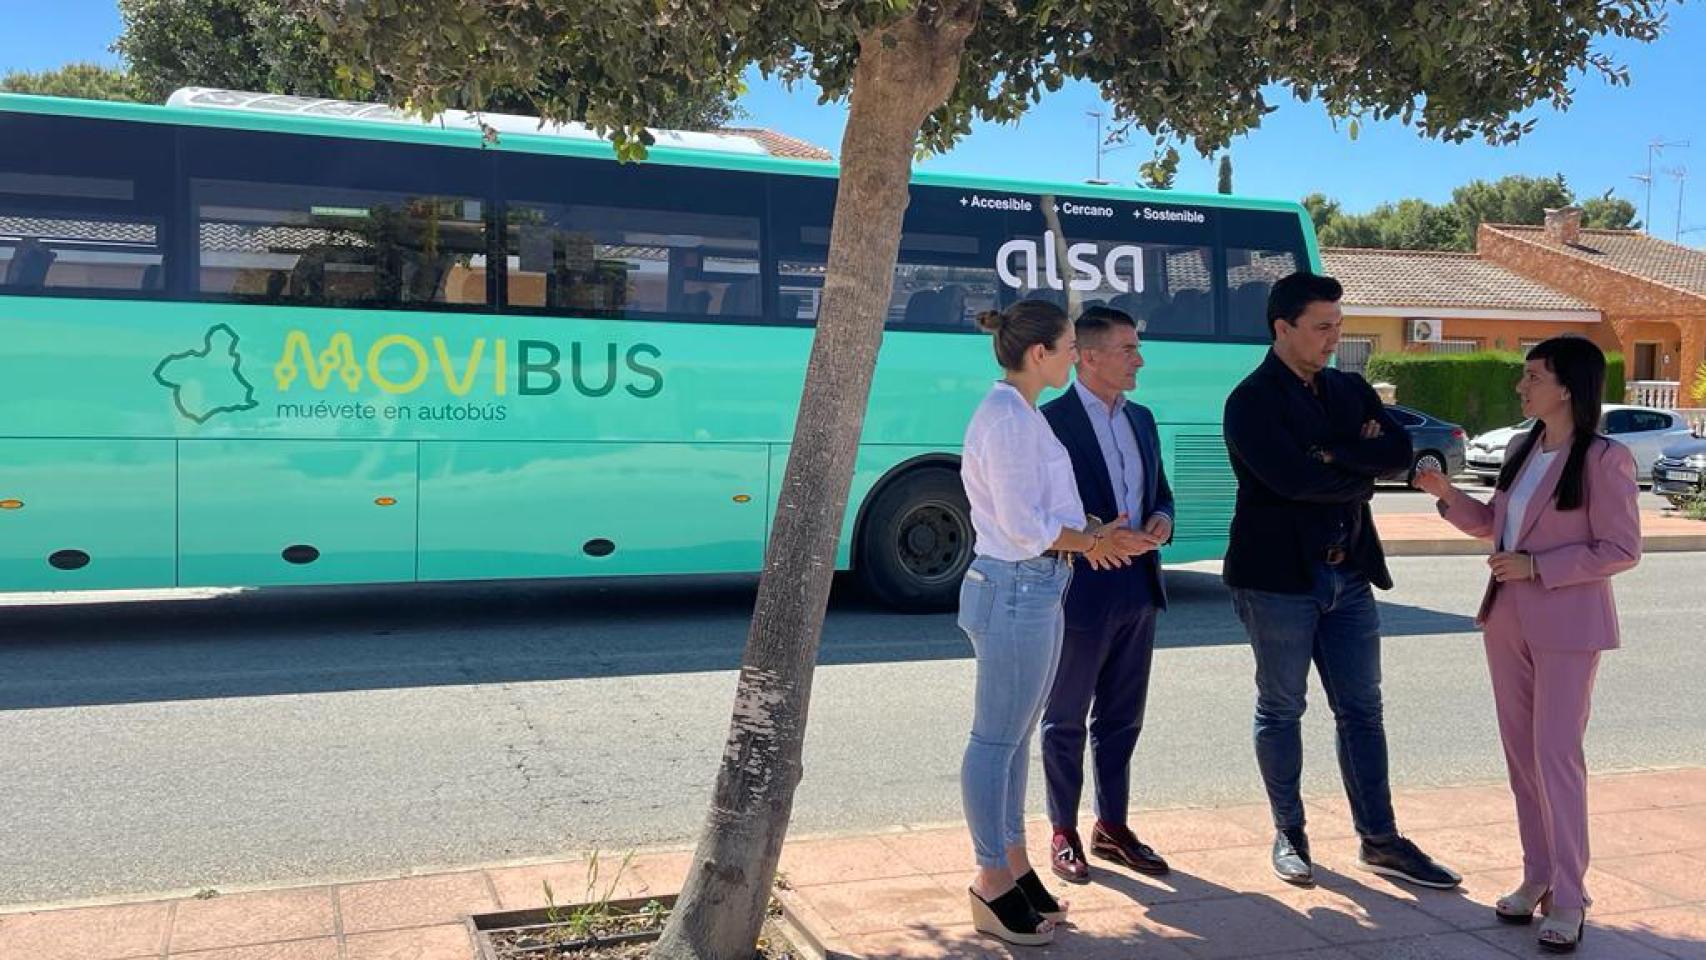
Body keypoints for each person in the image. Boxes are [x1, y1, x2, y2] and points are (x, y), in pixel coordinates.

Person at [1222, 271, 1460, 890]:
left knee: (1363, 710)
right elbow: (1290, 481)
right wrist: (1354, 464)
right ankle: (1290, 834)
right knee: (1281, 708)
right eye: (1322, 326)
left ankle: (1380, 840)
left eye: (1339, 324)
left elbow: (1400, 452)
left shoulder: (1351, 389)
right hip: (1277, 580)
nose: (1335, 337)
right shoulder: (1250, 401)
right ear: (1283, 328)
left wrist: (1330, 453)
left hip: (1349, 575)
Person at [1414, 337, 1639, 953]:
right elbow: (1494, 524)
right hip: (1506, 617)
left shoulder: (1604, 459)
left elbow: (1621, 549)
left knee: (1555, 757)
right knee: (1521, 757)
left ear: (1567, 386)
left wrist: (1538, 567)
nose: (1521, 386)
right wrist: (1444, 495)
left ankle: (1570, 895)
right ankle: (1536, 873)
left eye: (1532, 376)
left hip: (1568, 624)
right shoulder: (1521, 447)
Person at [958, 299, 1148, 946]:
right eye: (1069, 345)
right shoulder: (1009, 419)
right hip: (1017, 587)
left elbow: (1040, 515)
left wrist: (1095, 532)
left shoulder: (1021, 413)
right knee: (995, 741)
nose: (1076, 354)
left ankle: (1012, 864)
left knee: (1011, 739)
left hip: (1034, 585)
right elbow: (1022, 527)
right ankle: (990, 880)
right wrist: (1093, 543)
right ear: (1038, 354)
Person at [1038, 305, 1174, 884]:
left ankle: (1112, 827)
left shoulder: (1142, 418)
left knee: (1123, 718)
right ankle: (1063, 832)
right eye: (1128, 349)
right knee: (1065, 718)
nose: (1139, 359)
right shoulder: (1049, 421)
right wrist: (1097, 533)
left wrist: (1163, 519)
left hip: (1137, 587)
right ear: (1088, 357)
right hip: (1079, 587)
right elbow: (1040, 509)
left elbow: (1158, 491)